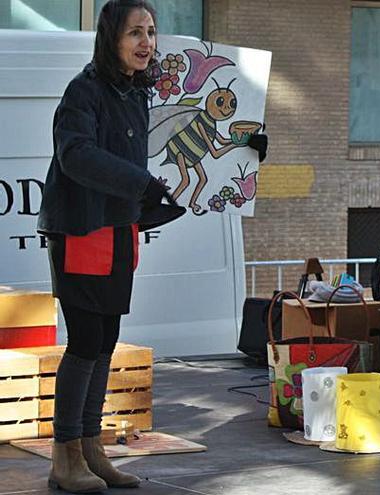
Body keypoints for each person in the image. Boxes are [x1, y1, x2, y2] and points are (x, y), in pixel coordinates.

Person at [36, 0, 263, 491]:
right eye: (134, 32)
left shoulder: (140, 93)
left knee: (106, 344)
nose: (146, 42)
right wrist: (139, 181)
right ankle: (65, 456)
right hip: (81, 230)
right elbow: (75, 155)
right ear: (110, 38)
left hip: (118, 229)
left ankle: (91, 451)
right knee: (84, 344)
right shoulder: (85, 90)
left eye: (152, 32)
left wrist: (244, 149)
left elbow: (194, 139)